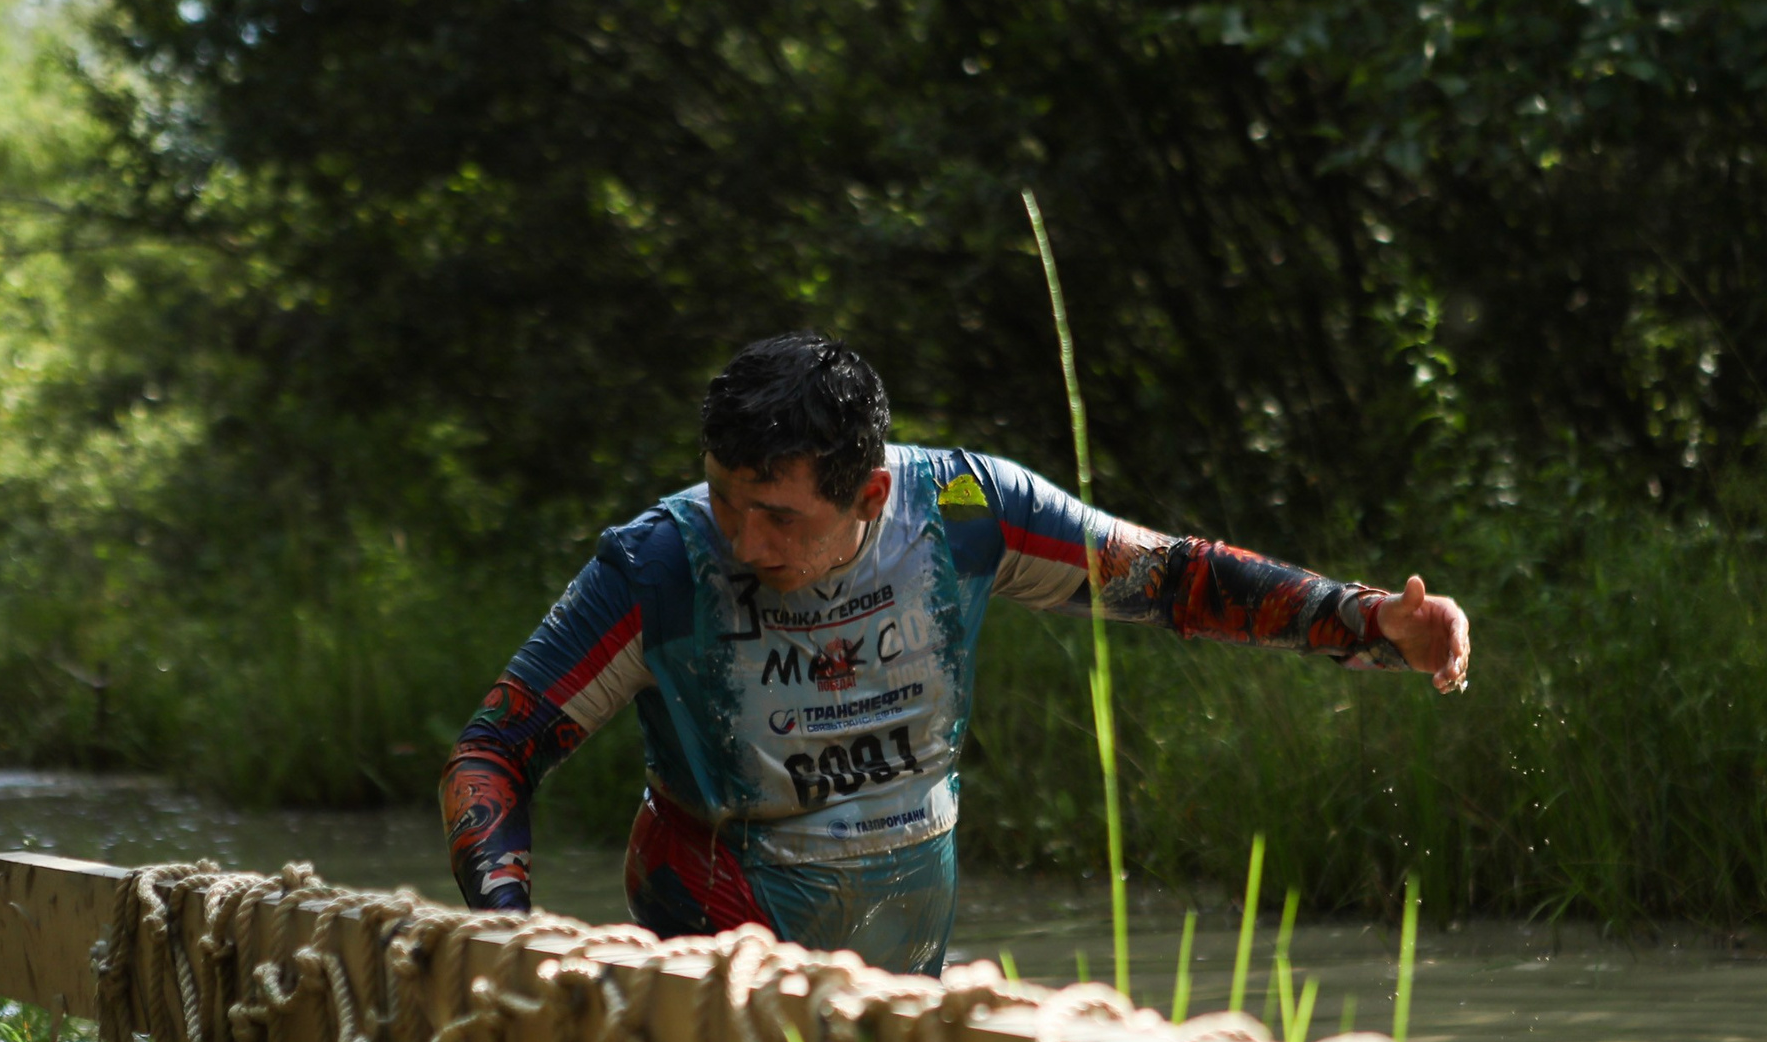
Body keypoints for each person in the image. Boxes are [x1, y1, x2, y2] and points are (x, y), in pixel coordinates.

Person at [442, 331, 1470, 974]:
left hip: (902, 915)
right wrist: (510, 930)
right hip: (718, 922)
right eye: (721, 497)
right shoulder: (658, 563)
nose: (743, 542)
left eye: (777, 517)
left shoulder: (968, 511)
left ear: (872, 496)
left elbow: (1174, 579)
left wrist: (1366, 621)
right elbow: (492, 750)